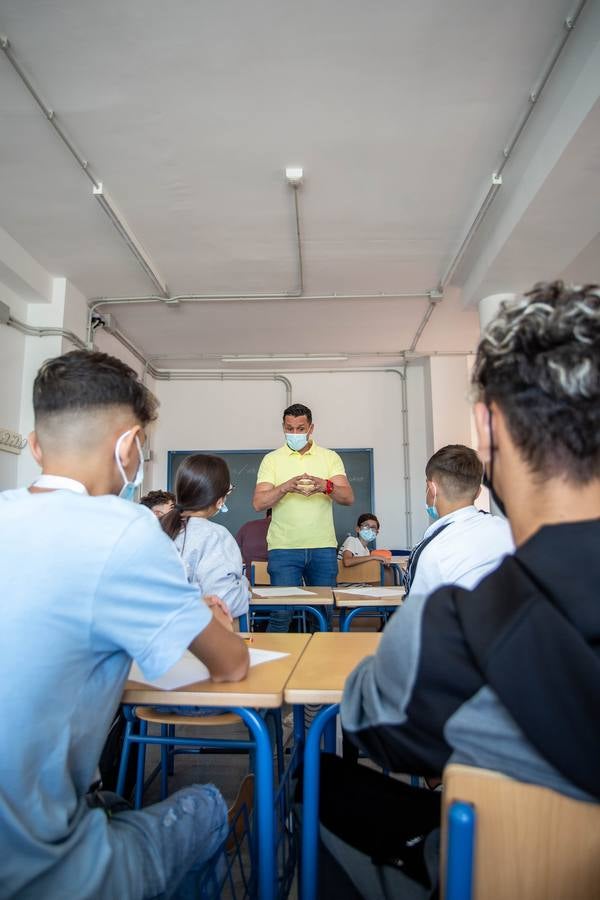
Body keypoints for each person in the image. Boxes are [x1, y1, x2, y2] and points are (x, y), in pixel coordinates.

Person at [317, 281, 600, 899]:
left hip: (494, 867)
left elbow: (371, 724)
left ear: (486, 430)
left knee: (314, 781)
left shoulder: (452, 630)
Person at [0, 350, 249, 900]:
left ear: (36, 445)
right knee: (208, 805)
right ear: (129, 445)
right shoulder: (124, 527)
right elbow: (230, 665)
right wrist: (212, 621)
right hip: (45, 870)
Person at [253, 402, 354, 631]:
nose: (295, 433)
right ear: (283, 427)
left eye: (301, 428)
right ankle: (275, 667)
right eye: (290, 428)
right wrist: (284, 487)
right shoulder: (272, 460)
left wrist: (325, 486)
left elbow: (348, 497)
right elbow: (259, 503)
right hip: (283, 548)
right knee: (281, 615)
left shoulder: (330, 457)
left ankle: (320, 667)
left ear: (311, 428)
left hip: (323, 547)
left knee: (323, 616)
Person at [404, 444, 514, 596]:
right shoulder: (510, 532)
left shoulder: (432, 552)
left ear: (432, 489)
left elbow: (418, 613)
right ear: (478, 493)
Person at [161, 454, 250, 620]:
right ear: (220, 500)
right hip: (195, 638)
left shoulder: (158, 528)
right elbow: (225, 602)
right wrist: (244, 585)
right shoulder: (215, 536)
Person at [235, 509, 272, 574]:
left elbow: (235, 549)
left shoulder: (248, 526)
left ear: (266, 514)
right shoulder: (285, 528)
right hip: (278, 579)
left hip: (250, 577)